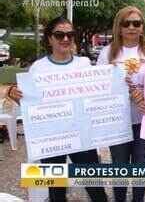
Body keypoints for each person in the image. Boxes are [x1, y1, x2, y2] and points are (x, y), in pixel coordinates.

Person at [8, 16, 107, 202]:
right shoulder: (38, 68)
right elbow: (31, 106)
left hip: (82, 136)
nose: (65, 39)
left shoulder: (84, 64)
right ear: (49, 39)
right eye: (59, 34)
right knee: (56, 191)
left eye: (70, 34)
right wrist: (16, 96)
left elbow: (96, 98)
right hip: (51, 140)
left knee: (96, 188)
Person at [97, 6, 145, 202]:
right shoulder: (107, 53)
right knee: (119, 166)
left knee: (141, 166)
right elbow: (99, 87)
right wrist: (118, 87)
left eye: (136, 23)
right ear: (119, 27)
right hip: (117, 121)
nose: (131, 27)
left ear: (142, 27)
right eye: (126, 23)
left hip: (144, 121)